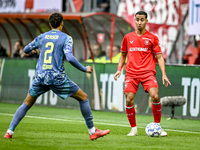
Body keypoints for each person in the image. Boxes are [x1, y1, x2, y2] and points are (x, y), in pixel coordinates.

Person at [4, 13, 110, 140]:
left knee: (26, 103)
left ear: (50, 24)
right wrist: (84, 68)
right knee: (84, 98)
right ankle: (92, 131)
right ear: (62, 23)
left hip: (41, 77)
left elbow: (26, 49)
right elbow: (69, 57)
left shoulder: (42, 37)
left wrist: (33, 51)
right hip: (56, 77)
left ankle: (9, 132)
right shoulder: (66, 38)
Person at [113, 11, 171, 136]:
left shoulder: (152, 38)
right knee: (129, 100)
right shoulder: (128, 37)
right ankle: (133, 129)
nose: (139, 22)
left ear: (146, 21)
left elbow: (160, 57)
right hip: (131, 73)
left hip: (148, 73)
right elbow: (123, 55)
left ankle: (157, 126)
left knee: (155, 96)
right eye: (137, 19)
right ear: (135, 20)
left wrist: (164, 74)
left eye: (142, 20)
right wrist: (119, 69)